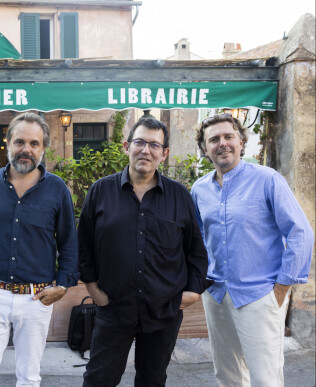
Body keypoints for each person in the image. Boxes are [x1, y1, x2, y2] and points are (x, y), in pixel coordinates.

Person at [78, 117, 209, 387]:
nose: (145, 150)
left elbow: (196, 248)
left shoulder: (179, 196)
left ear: (164, 153)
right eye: (139, 142)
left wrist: (194, 290)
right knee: (99, 379)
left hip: (163, 311)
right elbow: (84, 246)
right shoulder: (100, 191)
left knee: (152, 380)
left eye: (154, 145)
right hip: (113, 308)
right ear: (126, 147)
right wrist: (93, 289)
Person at [191, 113, 314, 387]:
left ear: (241, 142)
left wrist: (281, 288)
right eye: (214, 139)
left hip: (259, 295)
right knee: (227, 376)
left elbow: (300, 232)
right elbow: (197, 238)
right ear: (204, 148)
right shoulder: (199, 189)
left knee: (265, 379)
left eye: (228, 137)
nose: (222, 143)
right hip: (217, 295)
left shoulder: (267, 179)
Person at [0, 112, 78, 387]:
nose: (26, 149)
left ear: (43, 148)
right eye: (19, 142)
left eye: (34, 143)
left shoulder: (57, 189)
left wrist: (63, 285)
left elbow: (68, 242)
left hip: (37, 297)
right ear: (7, 143)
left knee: (29, 378)